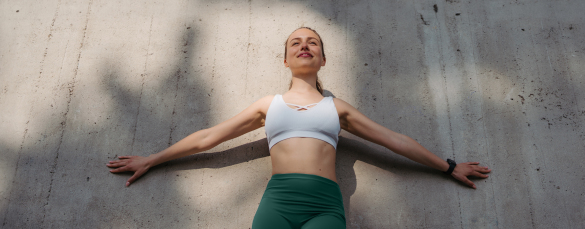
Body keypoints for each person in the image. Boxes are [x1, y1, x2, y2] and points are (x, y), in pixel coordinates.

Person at [107, 27, 491, 229]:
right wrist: (153, 159)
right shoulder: (267, 106)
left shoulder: (335, 107)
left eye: (312, 43)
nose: (303, 46)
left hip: (325, 205)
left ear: (323, 59)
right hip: (279, 202)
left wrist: (448, 165)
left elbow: (394, 140)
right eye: (296, 43)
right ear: (286, 58)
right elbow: (208, 138)